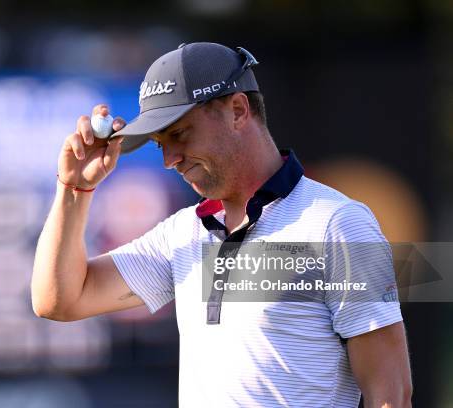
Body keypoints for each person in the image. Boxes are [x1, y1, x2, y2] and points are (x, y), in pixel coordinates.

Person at [32, 42, 412, 407]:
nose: (170, 159)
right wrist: (75, 189)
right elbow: (60, 299)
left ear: (237, 110)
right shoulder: (183, 234)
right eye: (159, 143)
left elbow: (390, 395)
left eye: (179, 134)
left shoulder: (338, 223)